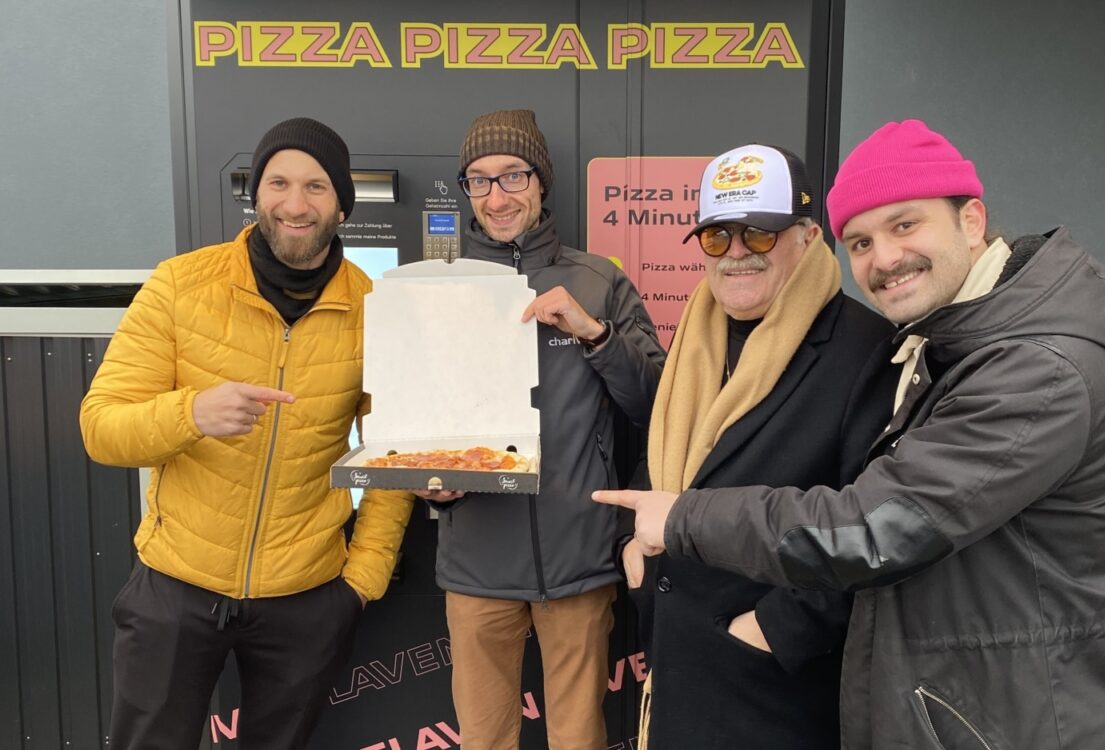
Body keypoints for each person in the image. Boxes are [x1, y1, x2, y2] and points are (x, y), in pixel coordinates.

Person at [596, 119, 1105, 748]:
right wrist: (643, 555)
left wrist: (760, 616)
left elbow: (875, 527)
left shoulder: (1027, 367)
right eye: (860, 241)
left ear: (971, 220)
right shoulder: (946, 345)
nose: (883, 257)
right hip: (978, 698)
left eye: (904, 225)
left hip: (1043, 713)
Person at [79, 117, 415, 749]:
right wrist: (190, 414)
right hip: (176, 586)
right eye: (279, 183)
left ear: (342, 203)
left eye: (316, 187)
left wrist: (362, 578)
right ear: (255, 193)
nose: (295, 204)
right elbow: (101, 429)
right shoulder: (180, 286)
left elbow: (393, 452)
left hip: (308, 596)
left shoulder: (375, 308)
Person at [617, 143, 896, 748]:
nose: (737, 253)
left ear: (808, 235)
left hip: (775, 691)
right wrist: (632, 548)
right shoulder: (695, 336)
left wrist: (771, 629)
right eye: (718, 238)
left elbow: (879, 525)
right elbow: (667, 454)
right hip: (677, 658)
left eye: (760, 235)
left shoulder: (866, 349)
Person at [418, 109, 665, 750]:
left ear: (541, 181)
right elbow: (413, 415)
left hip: (579, 558)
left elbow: (653, 405)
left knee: (577, 739)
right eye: (478, 180)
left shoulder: (598, 281)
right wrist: (427, 482)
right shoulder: (438, 287)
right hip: (475, 562)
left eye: (512, 176)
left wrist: (595, 335)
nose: (496, 196)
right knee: (484, 740)